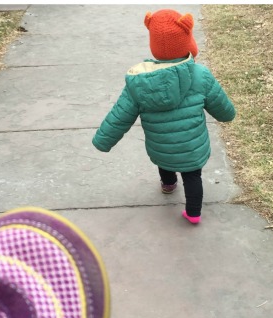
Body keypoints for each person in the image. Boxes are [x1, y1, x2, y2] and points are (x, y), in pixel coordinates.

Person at [92, 9, 236, 224]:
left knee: (165, 160)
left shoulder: (140, 81)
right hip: (192, 146)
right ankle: (194, 213)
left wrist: (103, 140)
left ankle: (168, 184)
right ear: (187, 40)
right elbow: (222, 108)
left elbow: (120, 115)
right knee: (192, 176)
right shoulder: (201, 75)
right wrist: (227, 114)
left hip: (161, 144)